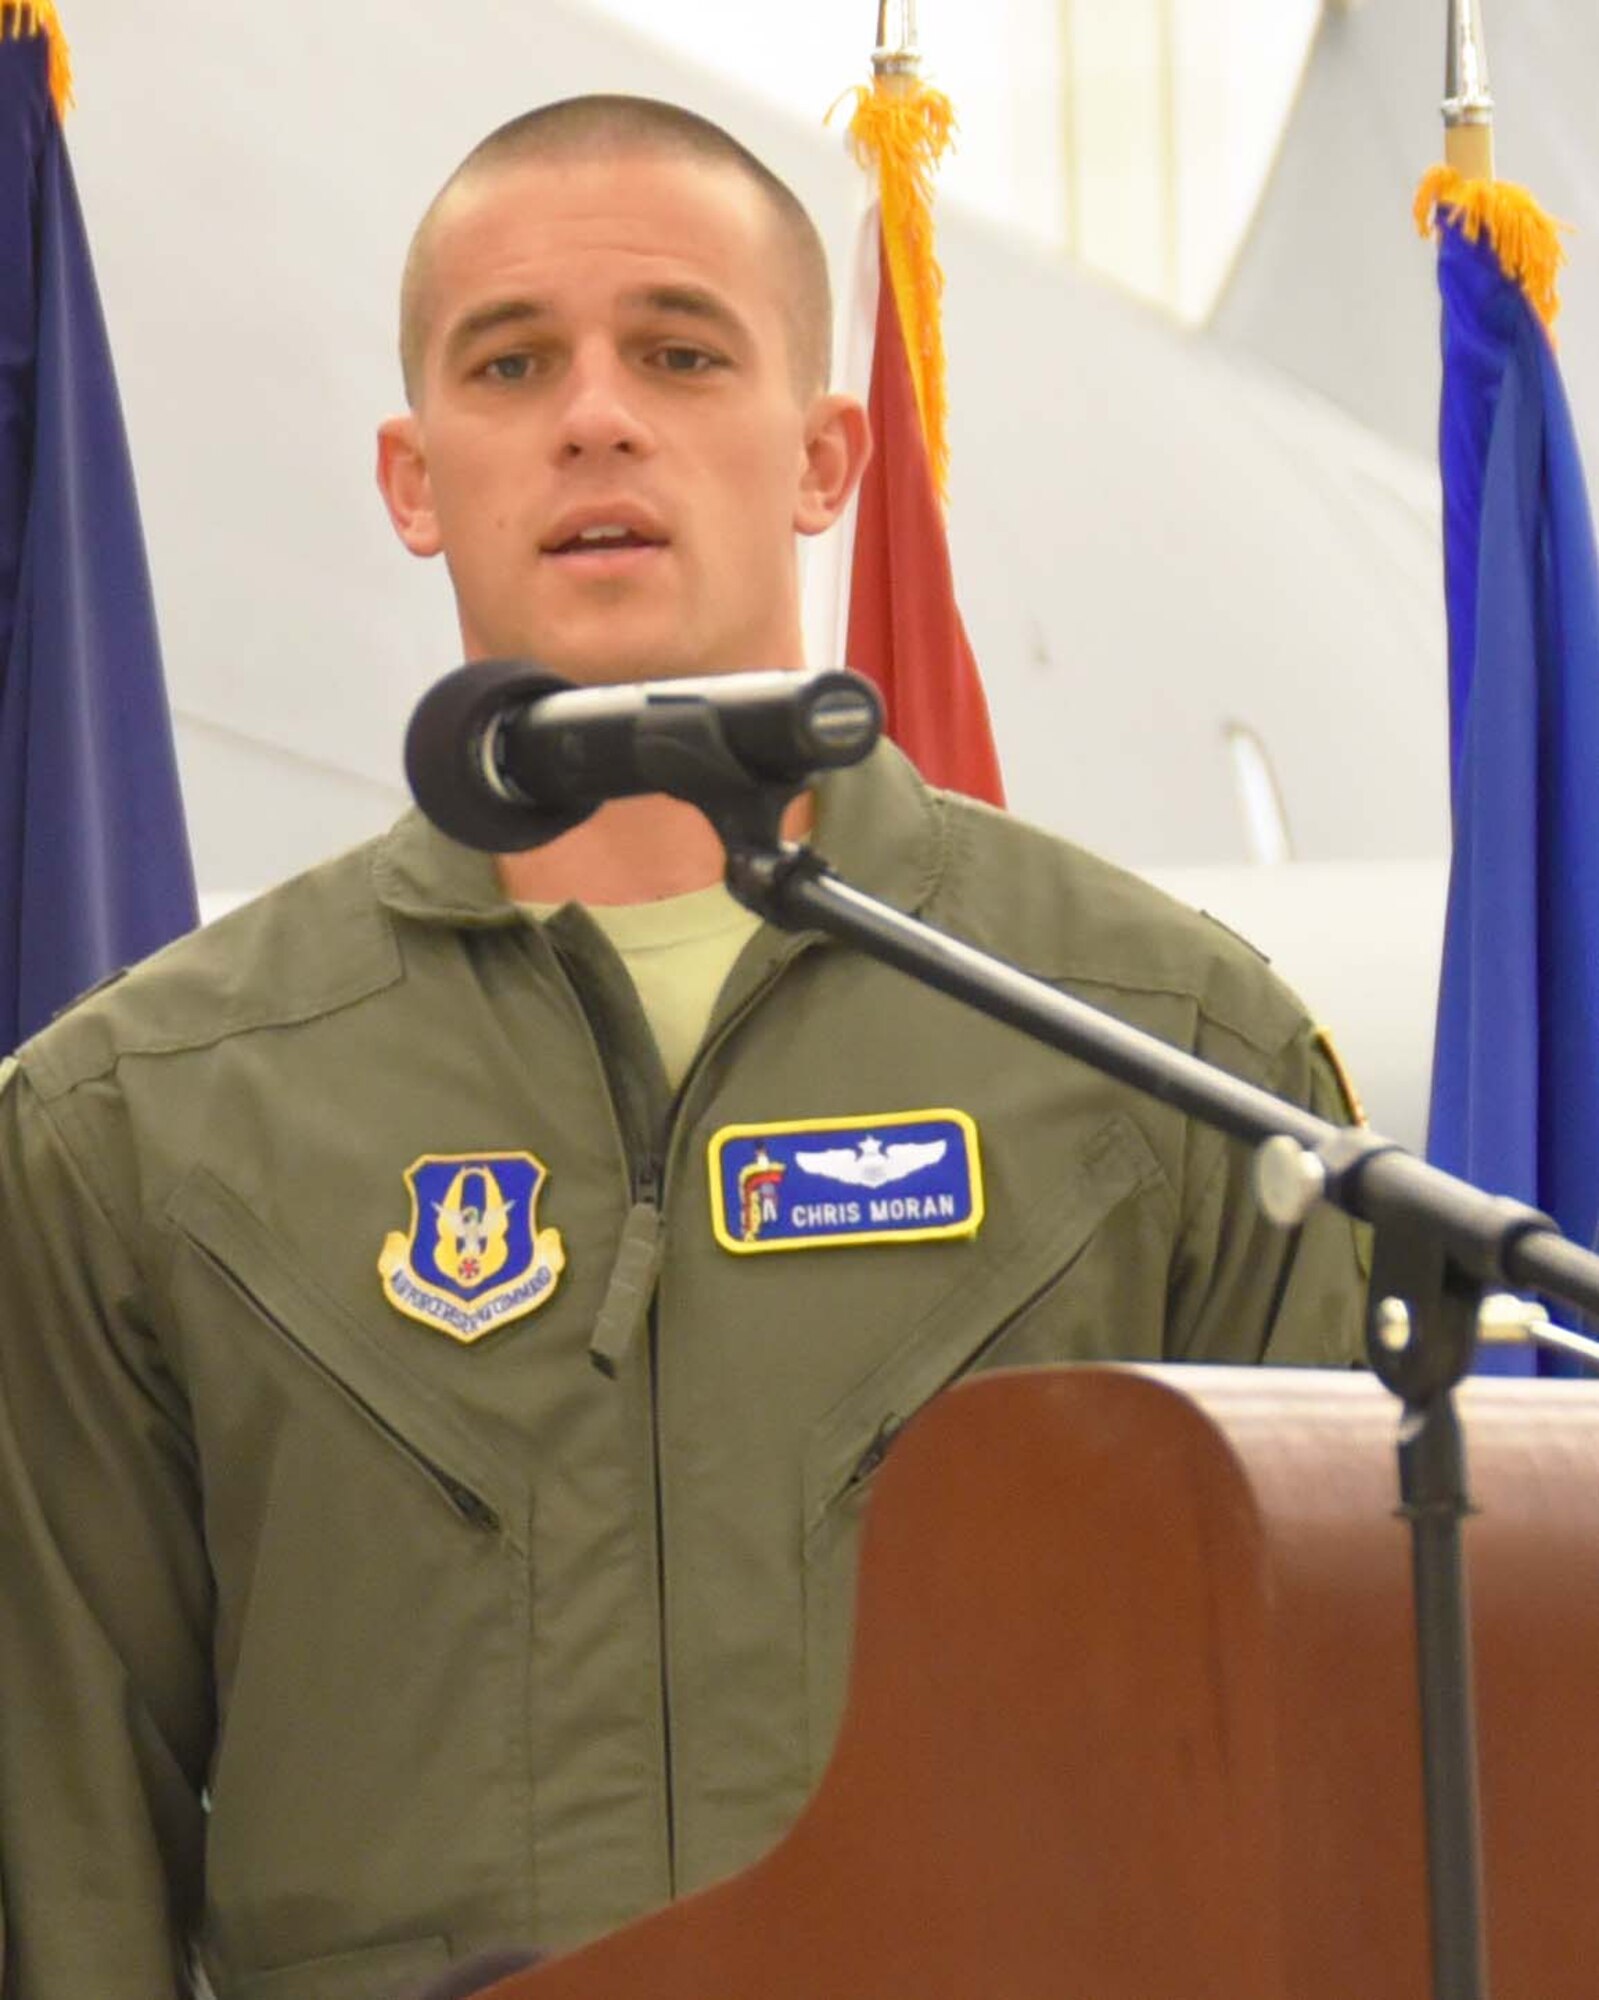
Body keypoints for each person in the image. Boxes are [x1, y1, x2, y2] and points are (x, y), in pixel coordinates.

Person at [0, 94, 1368, 2000]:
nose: (594, 417)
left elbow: (1337, 1800)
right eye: (511, 363)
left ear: (823, 457)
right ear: (413, 479)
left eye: (678, 350)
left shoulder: (1162, 1061)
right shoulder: (140, 1127)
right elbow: (67, 1869)